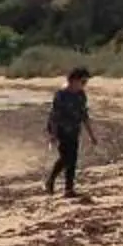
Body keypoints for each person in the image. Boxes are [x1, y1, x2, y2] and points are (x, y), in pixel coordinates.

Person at [44, 67, 100, 199]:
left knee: (72, 158)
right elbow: (54, 116)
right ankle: (50, 180)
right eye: (83, 82)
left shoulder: (81, 95)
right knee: (66, 157)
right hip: (60, 129)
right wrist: (53, 135)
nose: (84, 85)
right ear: (73, 80)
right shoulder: (61, 94)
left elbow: (84, 115)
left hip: (74, 129)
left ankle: (68, 189)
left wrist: (92, 135)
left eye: (86, 82)